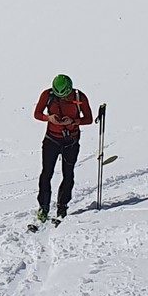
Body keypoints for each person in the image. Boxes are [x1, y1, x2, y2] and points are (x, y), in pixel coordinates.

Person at [33, 73, 93, 223]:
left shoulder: (79, 98)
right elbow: (37, 114)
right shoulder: (47, 95)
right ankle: (44, 207)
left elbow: (89, 119)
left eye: (64, 95)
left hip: (70, 140)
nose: (61, 98)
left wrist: (73, 121)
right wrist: (49, 118)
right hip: (51, 139)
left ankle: (62, 206)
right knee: (47, 173)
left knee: (68, 173)